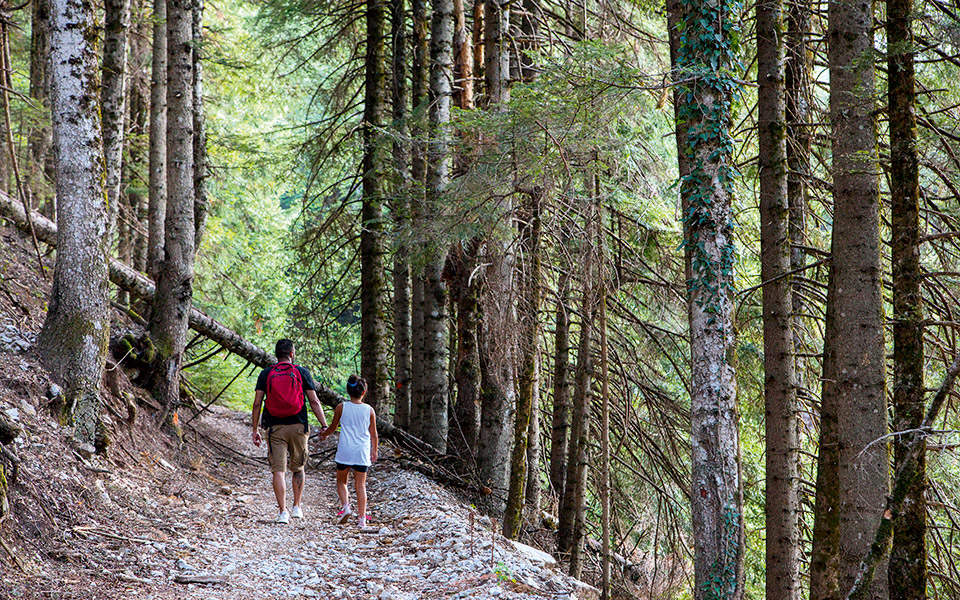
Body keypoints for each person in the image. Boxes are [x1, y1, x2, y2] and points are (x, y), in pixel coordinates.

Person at [251, 339, 329, 524]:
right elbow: (314, 401)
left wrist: (255, 429)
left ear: (277, 354)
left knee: (278, 470)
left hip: (275, 427)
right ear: (292, 354)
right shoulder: (301, 372)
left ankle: (282, 512)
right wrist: (324, 425)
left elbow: (257, 403)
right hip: (299, 426)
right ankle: (297, 507)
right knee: (298, 467)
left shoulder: (266, 373)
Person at [320, 374, 378, 527]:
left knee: (341, 481)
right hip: (361, 452)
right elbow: (373, 434)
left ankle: (346, 506)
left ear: (348, 391)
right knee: (361, 486)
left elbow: (333, 427)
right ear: (363, 392)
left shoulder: (341, 407)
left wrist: (324, 434)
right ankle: (362, 520)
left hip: (345, 450)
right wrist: (374, 451)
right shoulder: (369, 410)